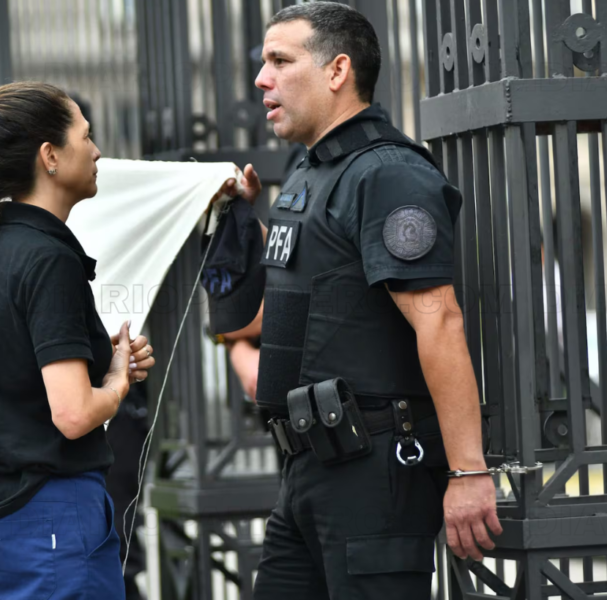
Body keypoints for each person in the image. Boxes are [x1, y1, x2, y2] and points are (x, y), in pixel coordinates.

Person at [209, 4, 501, 599]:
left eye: (279, 61)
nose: (261, 79)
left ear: (338, 69)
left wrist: (467, 472)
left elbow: (439, 321)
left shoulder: (387, 174)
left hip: (373, 472)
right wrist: (241, 215)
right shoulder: (309, 171)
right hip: (307, 470)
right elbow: (302, 298)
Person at [0, 82, 155, 600]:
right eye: (86, 137)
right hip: (48, 524)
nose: (97, 152)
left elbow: (16, 380)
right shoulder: (46, 258)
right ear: (50, 156)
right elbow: (72, 414)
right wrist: (117, 382)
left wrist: (109, 364)